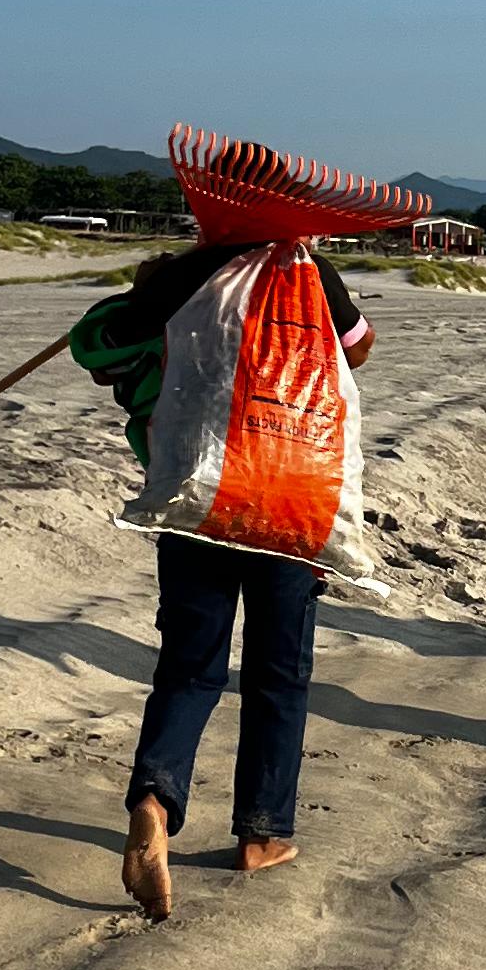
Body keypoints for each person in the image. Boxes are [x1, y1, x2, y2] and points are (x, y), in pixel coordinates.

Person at [68, 236, 375, 919]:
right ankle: (261, 835)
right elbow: (356, 348)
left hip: (196, 499)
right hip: (290, 501)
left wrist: (159, 282)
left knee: (188, 667)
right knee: (278, 672)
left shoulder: (179, 277)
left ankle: (153, 799)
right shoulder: (308, 270)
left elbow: (95, 345)